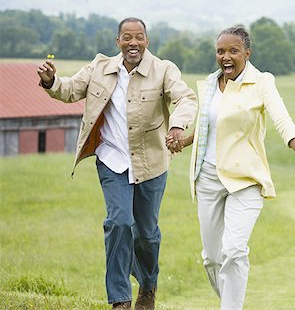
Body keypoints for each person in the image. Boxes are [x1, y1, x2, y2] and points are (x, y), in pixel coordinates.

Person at [37, 17, 197, 310]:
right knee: (119, 223)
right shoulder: (99, 68)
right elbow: (70, 89)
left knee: (146, 234)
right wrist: (50, 81)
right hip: (112, 160)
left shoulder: (163, 69)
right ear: (118, 42)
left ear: (147, 41)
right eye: (126, 37)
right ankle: (120, 299)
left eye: (138, 37)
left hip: (151, 163)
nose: (132, 43)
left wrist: (177, 126)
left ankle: (148, 287)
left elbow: (185, 98)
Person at [166, 26, 295, 310]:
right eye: (220, 51)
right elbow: (210, 127)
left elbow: (283, 122)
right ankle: (230, 302)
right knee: (212, 258)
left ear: (247, 53)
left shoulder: (262, 82)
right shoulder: (211, 83)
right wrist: (183, 141)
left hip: (245, 179)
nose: (226, 57)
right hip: (208, 178)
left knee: (234, 250)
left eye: (233, 51)